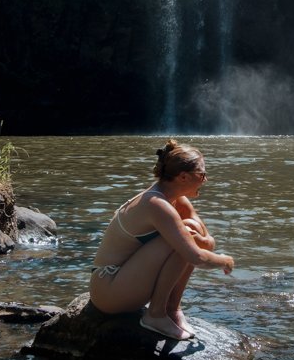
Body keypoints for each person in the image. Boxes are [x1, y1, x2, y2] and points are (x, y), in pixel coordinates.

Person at [89, 139, 234, 341]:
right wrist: (225, 261)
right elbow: (196, 256)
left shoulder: (174, 198)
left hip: (125, 283)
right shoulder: (157, 204)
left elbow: (207, 241)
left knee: (191, 232)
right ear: (183, 177)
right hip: (108, 289)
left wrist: (198, 236)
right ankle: (155, 314)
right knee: (182, 240)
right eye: (202, 174)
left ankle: (172, 309)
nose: (205, 180)